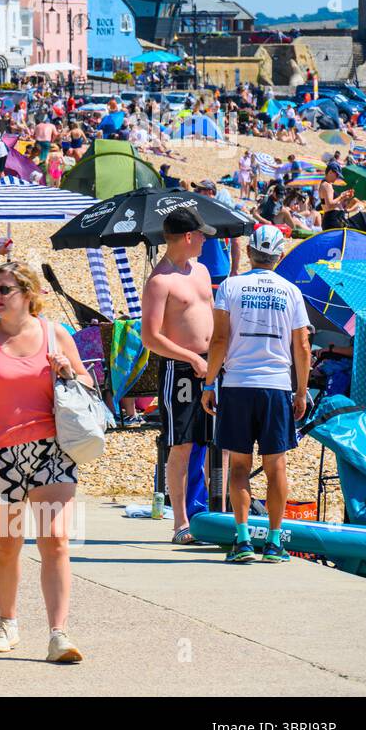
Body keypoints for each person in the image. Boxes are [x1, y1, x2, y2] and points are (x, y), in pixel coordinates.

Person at [0, 261, 88, 663]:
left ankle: (58, 634)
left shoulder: (55, 334)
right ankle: (7, 622)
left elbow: (88, 385)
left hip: (51, 452)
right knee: (7, 545)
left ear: (28, 294)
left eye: (5, 289)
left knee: (56, 543)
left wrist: (67, 371)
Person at [202, 225, 311, 564]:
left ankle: (243, 539)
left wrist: (208, 383)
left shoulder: (231, 287)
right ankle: (276, 543)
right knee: (276, 465)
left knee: (238, 464)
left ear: (249, 253)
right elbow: (303, 345)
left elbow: (219, 340)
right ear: (279, 256)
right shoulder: (290, 291)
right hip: (276, 384)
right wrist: (302, 391)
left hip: (238, 384)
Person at [141, 208, 218, 544]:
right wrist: (190, 357)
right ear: (188, 237)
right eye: (201, 234)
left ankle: (215, 512)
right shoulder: (160, 281)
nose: (205, 239)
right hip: (181, 369)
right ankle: (180, 522)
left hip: (211, 364)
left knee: (217, 442)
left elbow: (215, 317)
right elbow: (150, 336)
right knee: (182, 444)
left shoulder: (200, 271)